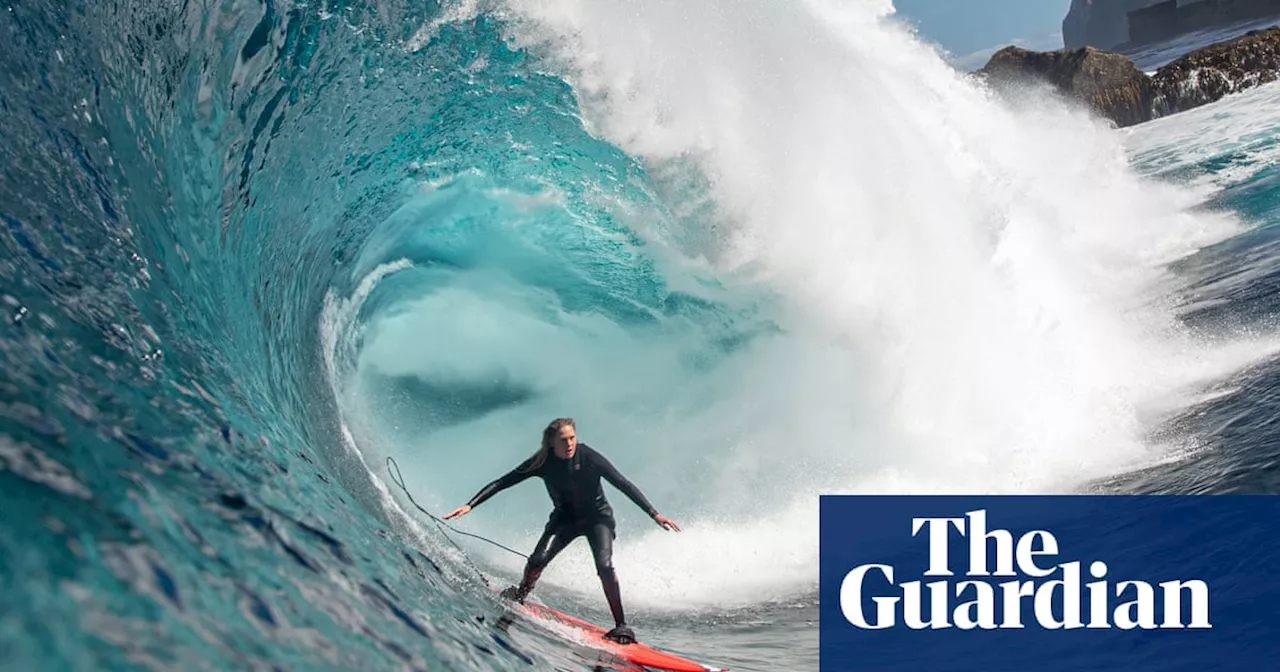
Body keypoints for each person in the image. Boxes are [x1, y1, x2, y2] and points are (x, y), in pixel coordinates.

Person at [444, 417, 680, 645]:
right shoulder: (542, 462)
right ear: (551, 443)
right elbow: (503, 481)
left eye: (572, 438)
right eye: (563, 440)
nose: (569, 444)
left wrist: (653, 513)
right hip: (564, 519)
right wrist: (470, 504)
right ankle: (521, 594)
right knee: (537, 561)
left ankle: (622, 625)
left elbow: (622, 483)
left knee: (605, 566)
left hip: (598, 518)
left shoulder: (588, 457)